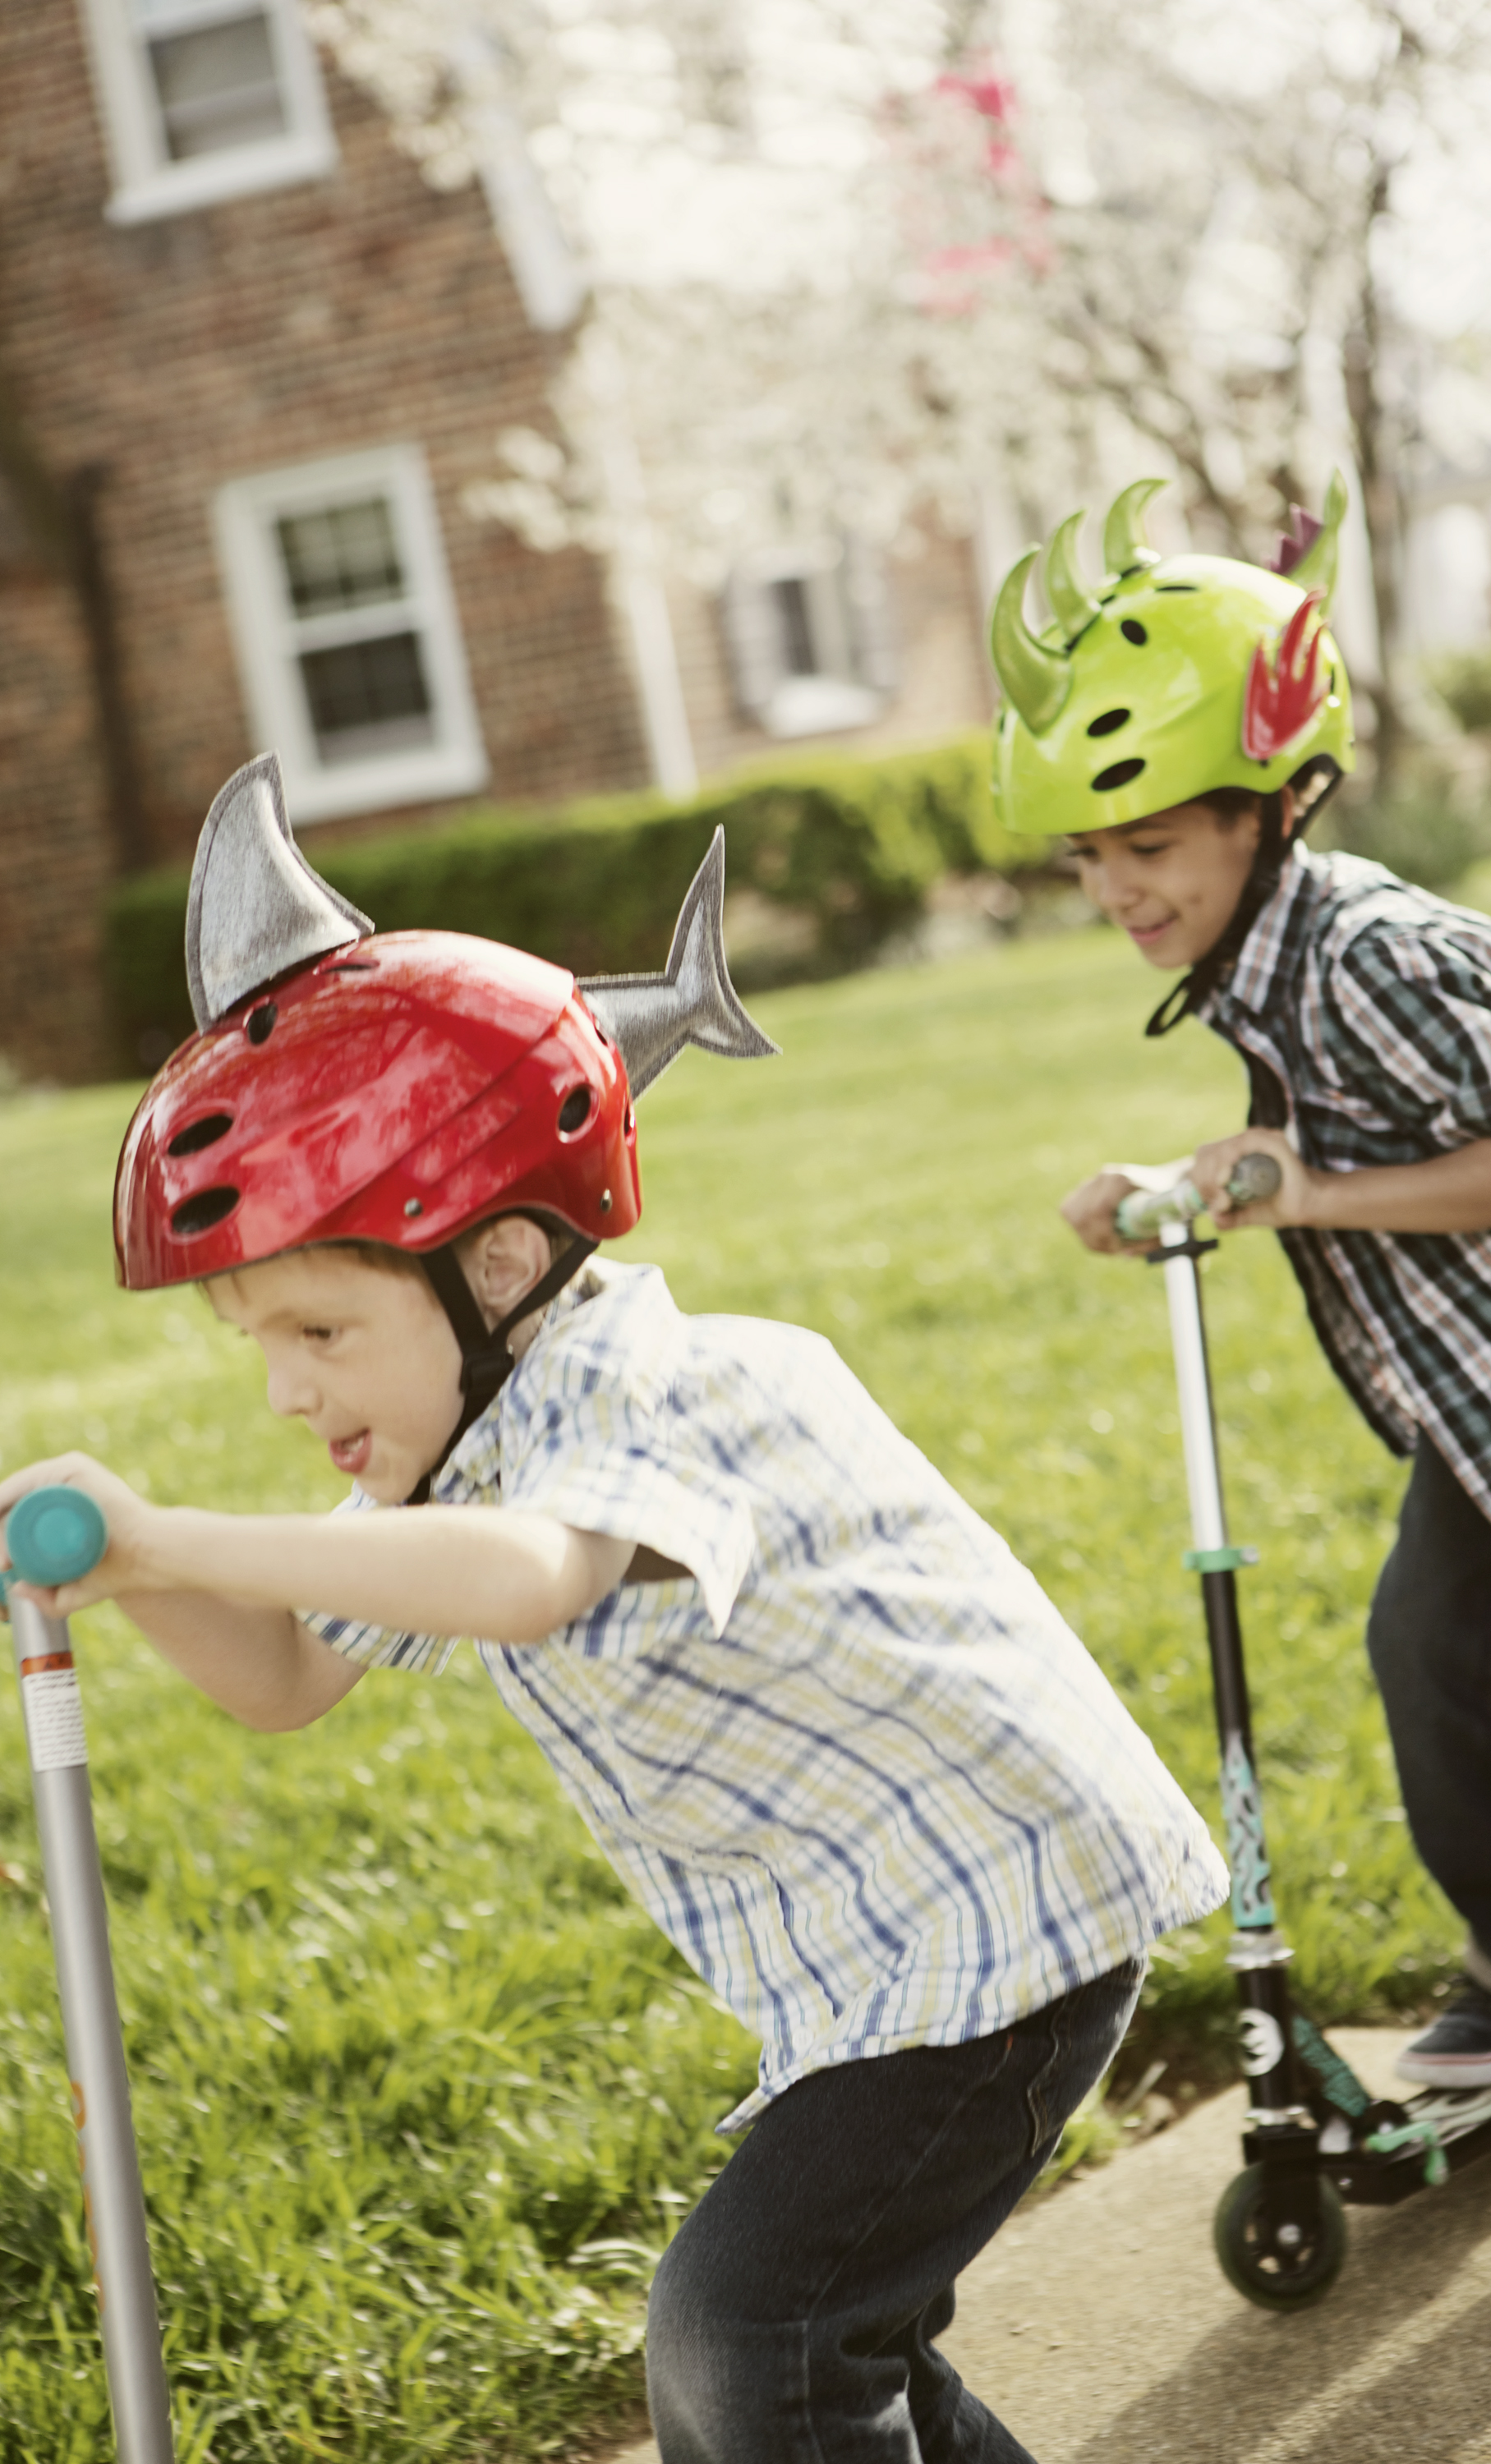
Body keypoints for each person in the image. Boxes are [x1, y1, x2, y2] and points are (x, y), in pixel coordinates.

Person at [0, 753, 1226, 2464]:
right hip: (882, 1964)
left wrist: (190, 1532)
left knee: (747, 2339)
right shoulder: (467, 1445)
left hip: (999, 1931)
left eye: (319, 1333)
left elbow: (529, 1582)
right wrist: (129, 1571)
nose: (285, 1390)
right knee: (822, 2355)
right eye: (257, 1342)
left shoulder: (654, 1392)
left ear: (496, 1263)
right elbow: (283, 1676)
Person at [989, 472, 1491, 2092]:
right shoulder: (1254, 964)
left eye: (1148, 842)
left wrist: (1315, 1196)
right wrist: (1183, 1184)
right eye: (1088, 857)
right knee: (1434, 1670)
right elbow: (1299, 1145)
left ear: (1269, 807)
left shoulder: (1373, 953)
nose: (1116, 887)